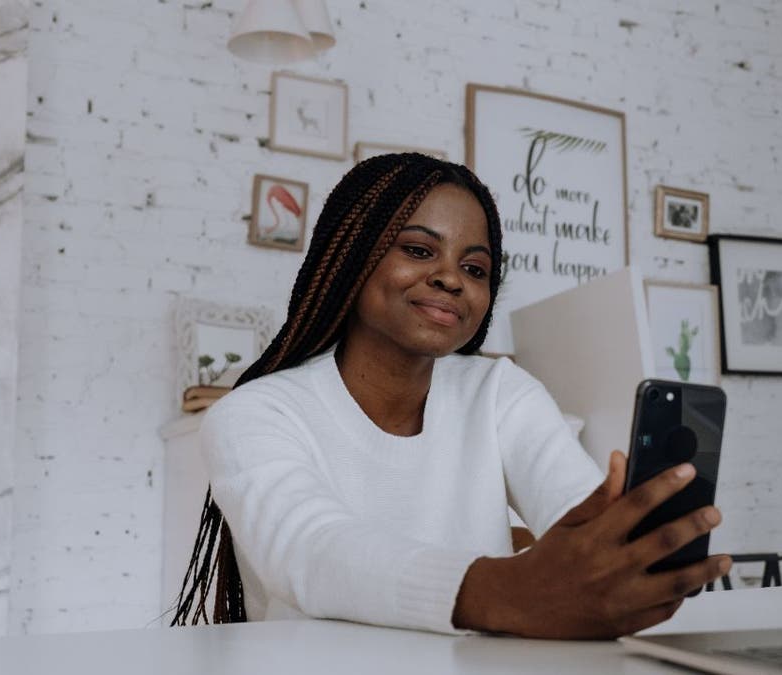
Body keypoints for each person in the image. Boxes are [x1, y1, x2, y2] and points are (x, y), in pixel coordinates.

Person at [171, 153, 731, 638]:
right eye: (418, 250)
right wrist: (511, 590)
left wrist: (614, 535)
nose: (451, 278)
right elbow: (311, 553)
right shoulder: (256, 412)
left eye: (475, 267)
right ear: (350, 257)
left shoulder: (497, 391)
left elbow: (572, 509)